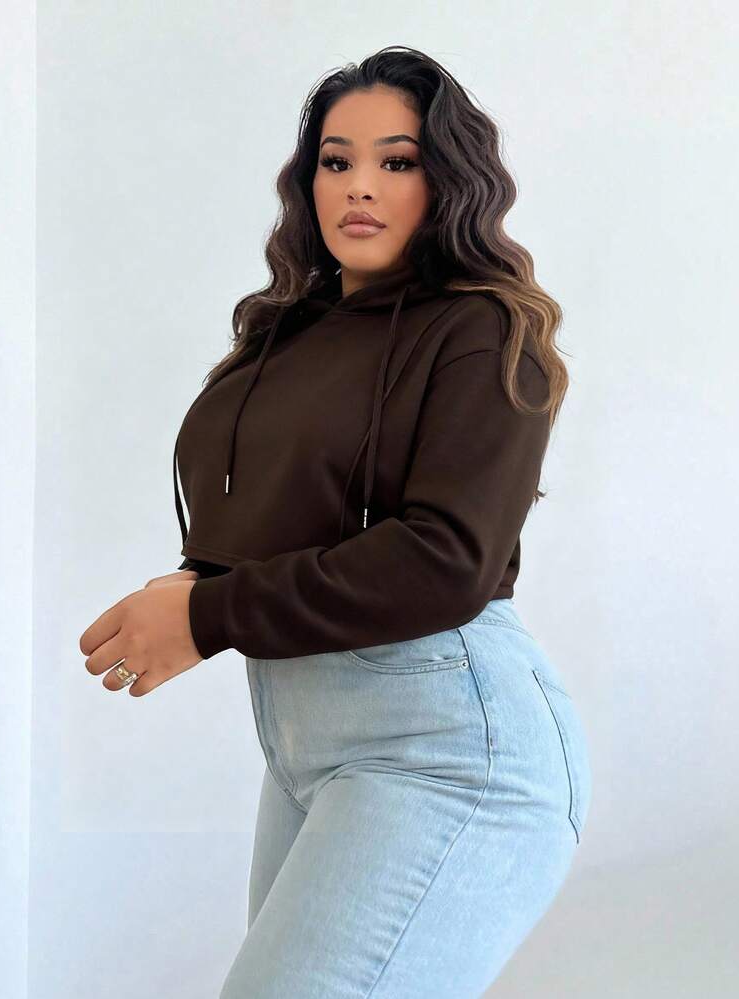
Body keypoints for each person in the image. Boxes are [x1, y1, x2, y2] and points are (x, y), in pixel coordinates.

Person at [79, 45, 592, 999]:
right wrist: (198, 583)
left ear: (447, 180)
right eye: (336, 159)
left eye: (397, 161)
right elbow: (295, 508)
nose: (360, 185)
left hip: (446, 747)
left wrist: (209, 616)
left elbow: (445, 560)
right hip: (305, 748)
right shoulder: (291, 332)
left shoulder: (480, 328)